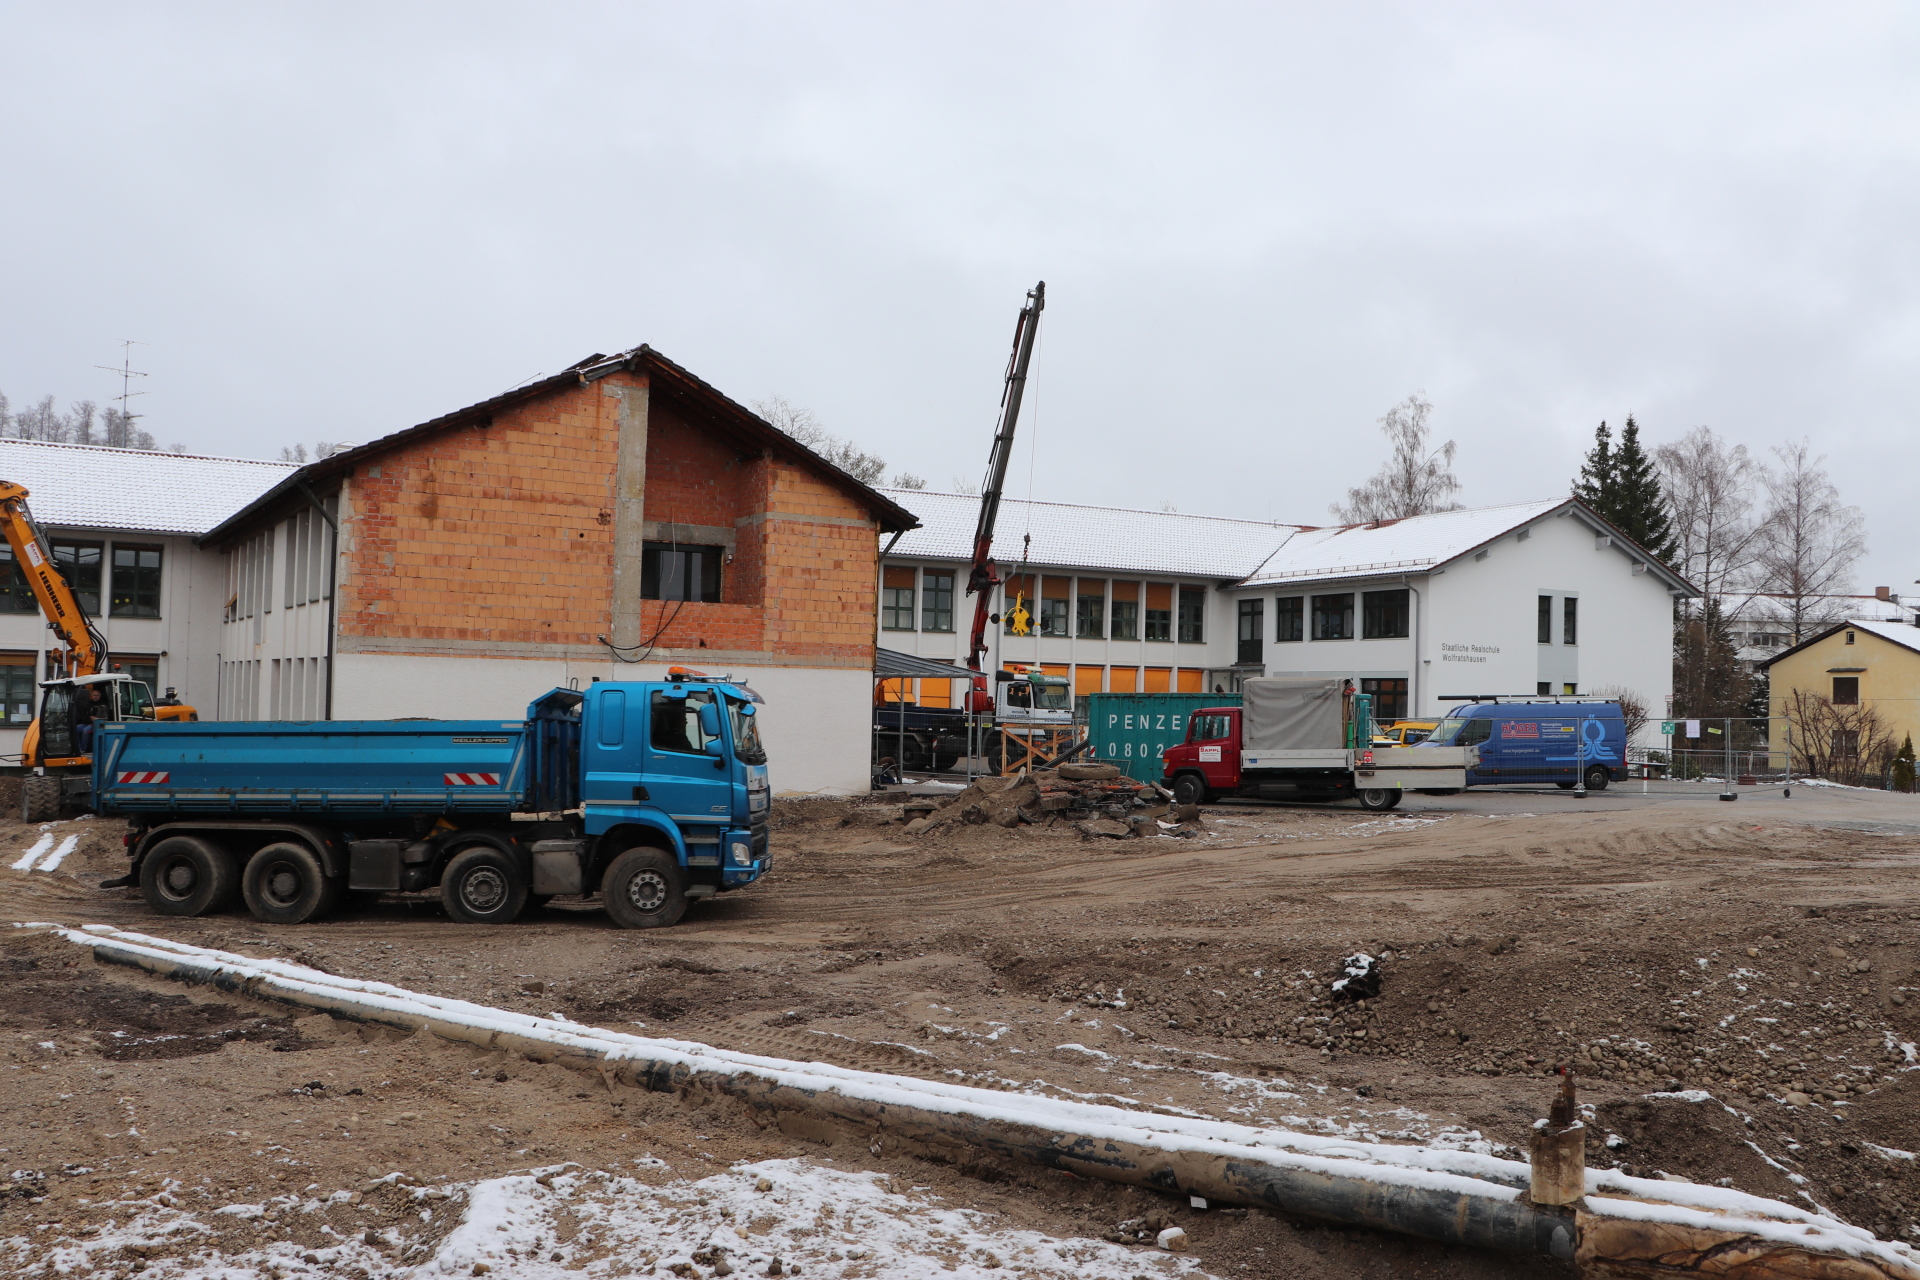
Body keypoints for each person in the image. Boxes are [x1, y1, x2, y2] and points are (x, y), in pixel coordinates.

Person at [75, 683, 111, 752]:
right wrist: (89, 718)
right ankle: (78, 748)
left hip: (96, 724)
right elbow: (83, 715)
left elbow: (104, 717)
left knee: (86, 731)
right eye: (94, 695)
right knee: (76, 729)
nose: (95, 697)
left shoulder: (103, 705)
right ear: (91, 695)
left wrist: (96, 719)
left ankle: (83, 749)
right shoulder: (88, 704)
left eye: (97, 695)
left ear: (100, 696)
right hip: (87, 722)